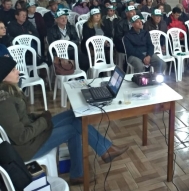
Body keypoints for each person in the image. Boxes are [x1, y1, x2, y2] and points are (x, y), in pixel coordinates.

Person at [0, 56, 128, 186]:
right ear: (3, 77)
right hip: (28, 147)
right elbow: (21, 136)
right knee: (74, 129)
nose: (18, 71)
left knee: (74, 115)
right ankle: (88, 165)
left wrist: (39, 117)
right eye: (12, 70)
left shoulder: (9, 92)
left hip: (32, 136)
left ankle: (102, 152)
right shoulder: (4, 102)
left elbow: (22, 119)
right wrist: (43, 120)